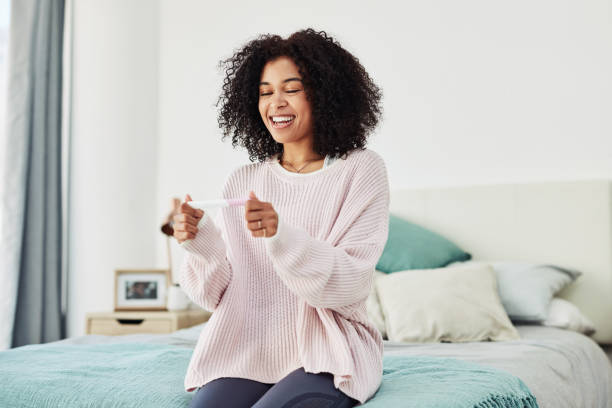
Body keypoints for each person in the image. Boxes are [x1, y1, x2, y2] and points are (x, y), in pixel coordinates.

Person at [173, 28, 389, 408]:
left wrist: (281, 236)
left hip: (329, 351)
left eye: (291, 88)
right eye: (265, 92)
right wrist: (200, 242)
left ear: (324, 93)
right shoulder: (244, 180)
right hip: (248, 349)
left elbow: (352, 285)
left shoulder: (361, 170)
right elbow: (215, 297)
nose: (276, 102)